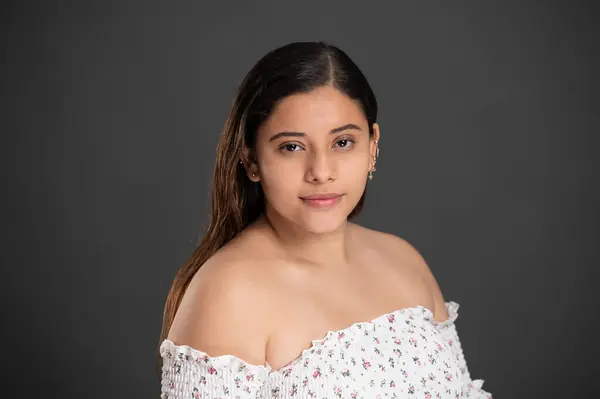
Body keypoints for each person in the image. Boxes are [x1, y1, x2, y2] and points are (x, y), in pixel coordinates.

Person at [157, 41, 492, 398]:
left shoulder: (404, 261)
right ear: (251, 159)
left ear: (373, 146)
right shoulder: (228, 295)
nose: (321, 172)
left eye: (343, 142)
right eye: (292, 147)